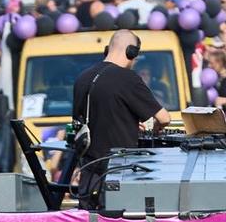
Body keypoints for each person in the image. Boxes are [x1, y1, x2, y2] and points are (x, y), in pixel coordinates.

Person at [70, 29, 170, 208]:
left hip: (88, 173)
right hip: (119, 173)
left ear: (108, 49)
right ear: (131, 52)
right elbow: (164, 118)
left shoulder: (82, 78)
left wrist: (129, 124)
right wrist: (154, 129)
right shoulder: (128, 79)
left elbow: (98, 118)